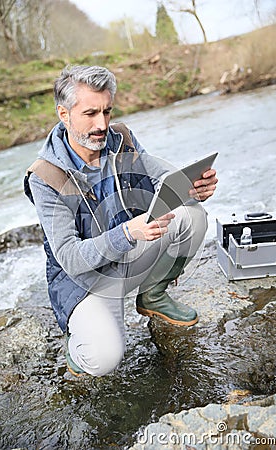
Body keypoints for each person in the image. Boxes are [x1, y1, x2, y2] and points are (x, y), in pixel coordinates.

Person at [24, 65, 218, 377]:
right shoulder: (46, 177)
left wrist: (192, 188)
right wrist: (127, 232)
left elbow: (161, 178)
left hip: (129, 253)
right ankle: (78, 341)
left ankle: (153, 294)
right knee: (104, 360)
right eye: (90, 113)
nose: (101, 124)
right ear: (64, 114)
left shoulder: (120, 139)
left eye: (107, 111)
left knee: (192, 215)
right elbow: (71, 258)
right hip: (86, 282)